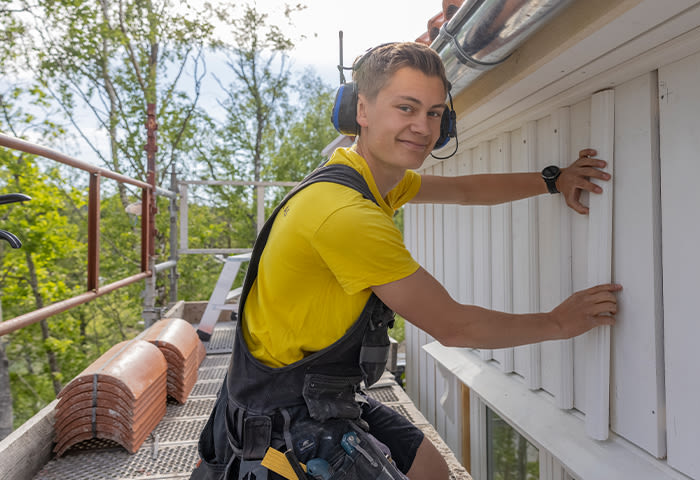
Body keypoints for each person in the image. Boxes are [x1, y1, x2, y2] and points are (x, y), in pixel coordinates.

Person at [195, 42, 620, 480]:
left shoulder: (369, 179)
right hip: (282, 421)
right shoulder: (345, 215)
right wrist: (557, 323)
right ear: (362, 109)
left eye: (435, 113)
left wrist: (553, 180)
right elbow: (454, 326)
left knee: (429, 470)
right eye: (406, 108)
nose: (423, 127)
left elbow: (465, 191)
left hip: (314, 393)